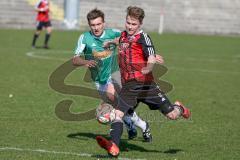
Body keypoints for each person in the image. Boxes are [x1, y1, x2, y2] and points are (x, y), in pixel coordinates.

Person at [96, 6, 191, 157]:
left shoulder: (143, 37)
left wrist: (149, 66)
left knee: (172, 115)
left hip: (147, 84)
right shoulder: (123, 36)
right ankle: (113, 146)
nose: (130, 26)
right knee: (118, 114)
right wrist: (109, 43)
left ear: (140, 24)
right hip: (130, 85)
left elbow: (151, 56)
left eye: (133, 24)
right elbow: (119, 41)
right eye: (128, 22)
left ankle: (179, 108)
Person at [72, 8, 152, 142]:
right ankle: (139, 125)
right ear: (89, 25)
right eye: (93, 25)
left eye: (98, 24)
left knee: (114, 97)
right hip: (98, 79)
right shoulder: (84, 38)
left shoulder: (114, 33)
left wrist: (150, 55)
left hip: (116, 73)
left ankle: (133, 126)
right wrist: (85, 61)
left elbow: (133, 42)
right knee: (118, 106)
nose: (96, 28)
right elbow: (74, 59)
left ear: (103, 23)